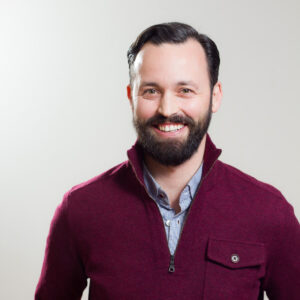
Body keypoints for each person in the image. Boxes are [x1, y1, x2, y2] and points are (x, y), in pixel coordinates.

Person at [35, 22, 300, 300]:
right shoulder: (80, 210)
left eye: (185, 90)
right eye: (151, 90)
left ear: (215, 96)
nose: (167, 109)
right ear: (131, 97)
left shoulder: (269, 212)